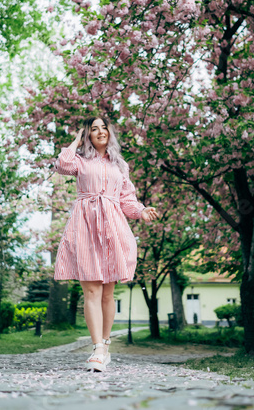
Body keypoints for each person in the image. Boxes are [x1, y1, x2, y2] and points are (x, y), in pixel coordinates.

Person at [53, 116, 158, 372]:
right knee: (91, 291)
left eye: (104, 128)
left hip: (112, 227)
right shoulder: (80, 160)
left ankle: (106, 344)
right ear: (88, 135)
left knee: (108, 293)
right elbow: (61, 164)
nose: (100, 132)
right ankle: (97, 347)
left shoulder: (120, 165)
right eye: (94, 129)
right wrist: (77, 138)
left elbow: (127, 199)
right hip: (85, 226)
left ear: (110, 133)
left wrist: (141, 211)